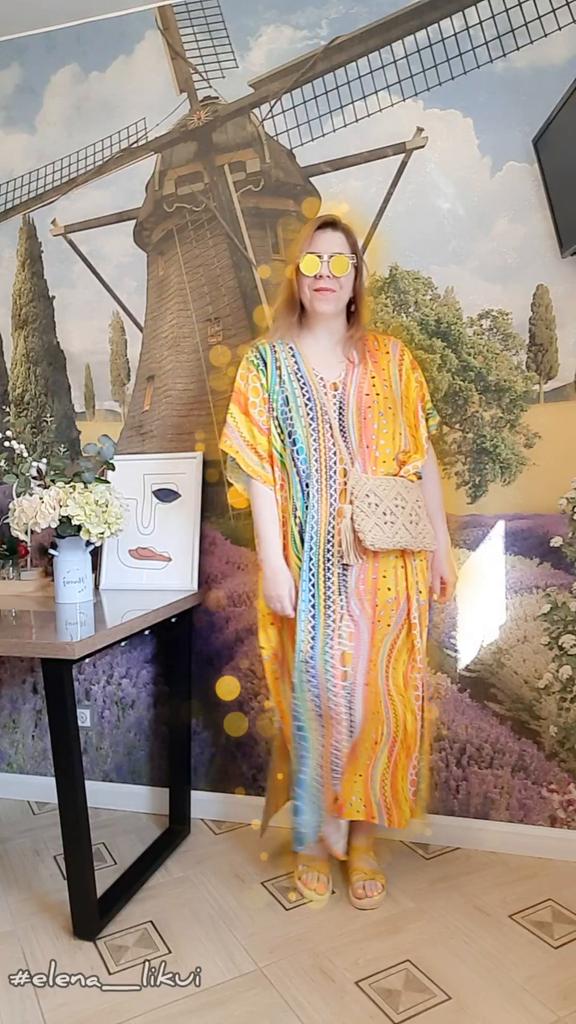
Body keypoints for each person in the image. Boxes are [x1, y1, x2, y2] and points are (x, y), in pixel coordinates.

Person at [219, 213, 457, 910]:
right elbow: (260, 474)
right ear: (297, 277)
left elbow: (423, 459)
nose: (325, 275)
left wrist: (441, 546)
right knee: (318, 700)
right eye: (312, 262)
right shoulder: (264, 366)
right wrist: (273, 564)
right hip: (309, 567)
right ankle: (315, 839)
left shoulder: (392, 359)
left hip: (390, 566)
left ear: (356, 279)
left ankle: (363, 839)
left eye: (339, 263)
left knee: (378, 702)